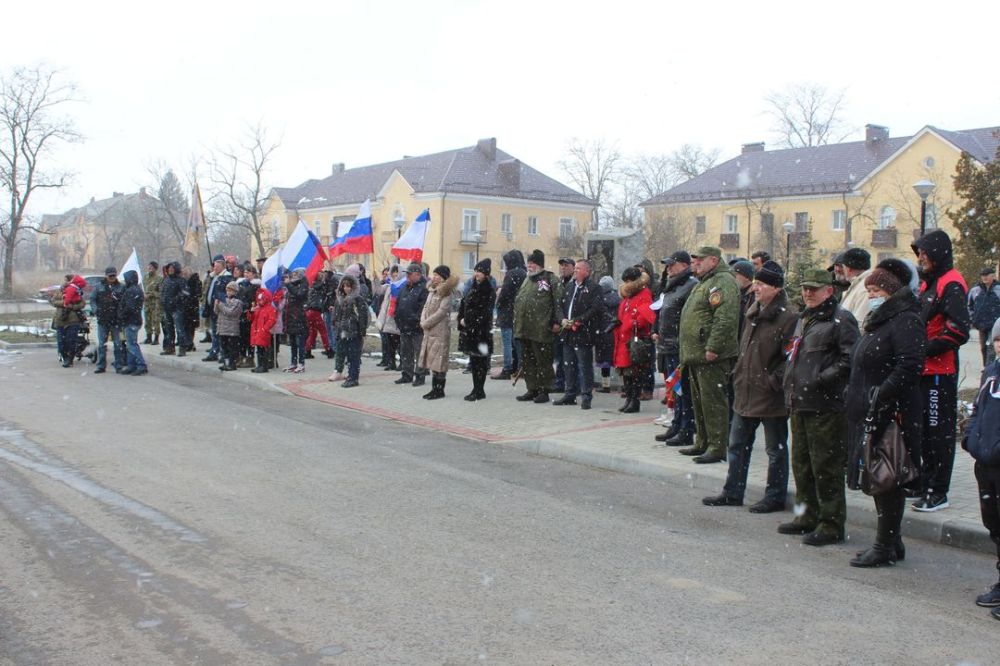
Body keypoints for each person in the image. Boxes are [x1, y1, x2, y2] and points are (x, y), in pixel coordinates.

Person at [845, 259, 926, 567]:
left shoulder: (906, 320)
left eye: (876, 289)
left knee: (887, 477)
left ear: (892, 291)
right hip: (872, 408)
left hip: (892, 412)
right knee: (881, 476)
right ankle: (893, 541)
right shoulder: (880, 319)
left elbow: (909, 365)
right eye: (869, 289)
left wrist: (882, 393)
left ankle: (884, 546)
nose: (872, 294)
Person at [703, 261, 797, 511]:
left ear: (776, 288)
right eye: (755, 283)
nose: (755, 288)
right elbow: (745, 348)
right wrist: (737, 374)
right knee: (737, 445)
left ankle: (775, 496)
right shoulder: (753, 310)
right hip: (745, 389)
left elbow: (790, 359)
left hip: (770, 395)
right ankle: (732, 491)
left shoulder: (788, 316)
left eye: (761, 284)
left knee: (775, 449)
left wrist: (772, 381)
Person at [780, 268, 859, 546]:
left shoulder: (841, 320)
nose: (808, 293)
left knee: (826, 466)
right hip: (800, 403)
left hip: (826, 405)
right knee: (802, 465)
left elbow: (850, 360)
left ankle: (831, 523)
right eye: (805, 288)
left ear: (829, 290)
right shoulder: (805, 318)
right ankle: (805, 515)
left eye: (814, 289)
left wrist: (820, 379)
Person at [911, 229, 970, 512]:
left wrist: (924, 348)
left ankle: (938, 491)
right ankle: (925, 482)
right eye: (919, 253)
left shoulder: (952, 283)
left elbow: (958, 332)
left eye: (924, 253)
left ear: (937, 253)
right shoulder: (929, 283)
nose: (921, 258)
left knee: (939, 432)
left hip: (940, 371)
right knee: (923, 432)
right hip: (922, 370)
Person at [678, 246, 740, 464]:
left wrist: (713, 347)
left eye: (700, 261)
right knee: (700, 401)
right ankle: (703, 441)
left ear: (713, 260)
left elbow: (725, 318)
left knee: (713, 402)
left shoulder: (722, 281)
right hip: (697, 354)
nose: (696, 264)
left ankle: (717, 446)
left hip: (710, 355)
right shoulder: (706, 281)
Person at [961, 326, 1000, 619]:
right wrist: (971, 437)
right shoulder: (991, 372)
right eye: (998, 340)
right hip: (984, 462)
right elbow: (977, 409)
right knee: (994, 523)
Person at [653, 251, 699, 445]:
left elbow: (689, 318)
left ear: (683, 265)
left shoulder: (690, 286)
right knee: (675, 390)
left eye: (672, 265)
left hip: (680, 347)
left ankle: (686, 429)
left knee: (683, 391)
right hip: (668, 345)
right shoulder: (672, 286)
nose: (669, 269)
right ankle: (677, 424)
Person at [513, 250, 563, 404]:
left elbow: (559, 302)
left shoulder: (550, 279)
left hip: (542, 329)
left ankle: (544, 390)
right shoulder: (527, 280)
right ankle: (532, 388)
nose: (529, 265)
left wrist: (556, 321)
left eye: (533, 263)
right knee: (528, 361)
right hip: (525, 329)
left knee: (543, 361)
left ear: (540, 264)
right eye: (528, 263)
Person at [554, 259, 603, 410]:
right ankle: (570, 394)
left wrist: (578, 320)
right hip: (568, 333)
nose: (575, 271)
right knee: (568, 365)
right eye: (574, 268)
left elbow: (595, 309)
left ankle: (586, 395)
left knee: (584, 366)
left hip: (583, 333)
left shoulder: (594, 288)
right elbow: (560, 306)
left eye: (578, 268)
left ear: (587, 272)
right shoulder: (569, 286)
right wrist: (562, 319)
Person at [613, 266, 655, 413]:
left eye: (629, 280)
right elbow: (623, 313)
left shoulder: (644, 294)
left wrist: (629, 323)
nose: (626, 283)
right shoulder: (628, 296)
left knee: (635, 372)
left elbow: (645, 316)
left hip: (634, 339)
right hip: (624, 338)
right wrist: (618, 322)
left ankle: (634, 401)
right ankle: (629, 398)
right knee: (626, 373)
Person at [418, 265, 459, 400]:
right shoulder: (432, 291)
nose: (434, 277)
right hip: (430, 331)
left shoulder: (446, 292)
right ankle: (434, 389)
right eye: (433, 274)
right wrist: (423, 319)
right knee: (432, 360)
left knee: (439, 361)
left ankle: (439, 390)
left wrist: (426, 323)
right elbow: (425, 307)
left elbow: (441, 312)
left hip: (440, 331)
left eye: (437, 275)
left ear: (443, 278)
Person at [458, 259, 497, 401]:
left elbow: (484, 312)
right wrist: (461, 319)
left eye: (479, 271)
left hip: (481, 332)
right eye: (475, 271)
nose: (476, 274)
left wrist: (468, 320)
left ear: (486, 274)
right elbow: (465, 304)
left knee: (480, 363)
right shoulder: (473, 287)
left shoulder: (488, 290)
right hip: (471, 331)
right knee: (474, 362)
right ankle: (476, 389)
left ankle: (479, 390)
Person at [394, 263, 429, 386]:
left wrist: (416, 321)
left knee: (419, 353)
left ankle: (420, 376)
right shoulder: (405, 287)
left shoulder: (424, 289)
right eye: (407, 274)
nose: (407, 276)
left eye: (410, 274)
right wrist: (398, 319)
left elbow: (423, 309)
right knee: (405, 352)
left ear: (418, 275)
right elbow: (398, 304)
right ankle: (407, 375)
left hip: (417, 328)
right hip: (404, 327)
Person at [331, 274, 368, 387]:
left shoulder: (357, 299)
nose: (346, 288)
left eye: (349, 286)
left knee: (353, 356)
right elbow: (336, 315)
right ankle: (347, 375)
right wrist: (336, 325)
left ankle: (353, 377)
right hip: (342, 330)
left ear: (353, 287)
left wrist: (362, 331)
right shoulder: (340, 300)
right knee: (343, 353)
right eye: (344, 286)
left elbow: (363, 316)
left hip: (354, 331)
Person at [494, 250, 526, 380]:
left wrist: (499, 302)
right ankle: (520, 367)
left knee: (507, 342)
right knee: (517, 342)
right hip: (518, 312)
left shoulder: (511, 274)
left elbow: (505, 293)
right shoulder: (524, 273)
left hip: (507, 312)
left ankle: (507, 368)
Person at [90, 266, 126, 374]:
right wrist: (96, 311)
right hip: (103, 320)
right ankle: (101, 365)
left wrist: (121, 313)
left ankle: (118, 365)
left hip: (116, 320)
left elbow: (124, 301)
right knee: (102, 344)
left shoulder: (121, 287)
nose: (112, 277)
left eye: (113, 275)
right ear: (106, 275)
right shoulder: (99, 286)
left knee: (118, 344)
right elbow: (92, 300)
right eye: (110, 275)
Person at [202, 255, 232, 362]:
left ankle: (221, 353)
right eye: (214, 266)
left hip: (220, 309)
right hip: (212, 309)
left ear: (223, 267)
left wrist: (219, 301)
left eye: (217, 267)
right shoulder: (214, 277)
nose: (215, 268)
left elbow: (226, 293)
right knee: (214, 331)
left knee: (220, 333)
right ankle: (214, 351)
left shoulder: (226, 278)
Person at [52, 274, 87, 367]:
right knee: (61, 342)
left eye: (67, 280)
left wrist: (73, 306)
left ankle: (69, 359)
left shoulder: (76, 290)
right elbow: (53, 301)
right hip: (60, 319)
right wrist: (63, 303)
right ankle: (64, 356)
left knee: (71, 341)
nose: (65, 282)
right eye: (64, 280)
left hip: (73, 320)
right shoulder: (59, 291)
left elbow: (82, 303)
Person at [118, 270, 148, 376]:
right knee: (130, 344)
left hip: (131, 321)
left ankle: (141, 365)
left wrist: (121, 315)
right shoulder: (136, 289)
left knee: (132, 345)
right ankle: (131, 365)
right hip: (134, 320)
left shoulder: (131, 290)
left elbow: (129, 307)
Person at [969, 266, 1000, 366]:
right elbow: (969, 305)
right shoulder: (975, 290)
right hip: (981, 323)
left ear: (993, 276)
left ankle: (989, 367)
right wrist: (972, 318)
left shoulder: (998, 289)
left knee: (991, 346)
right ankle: (985, 365)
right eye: (983, 275)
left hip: (995, 324)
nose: (984, 277)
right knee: (983, 347)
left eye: (987, 275)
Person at [553, 257, 576, 392]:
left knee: (572, 359)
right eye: (562, 265)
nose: (563, 268)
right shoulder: (558, 282)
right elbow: (556, 305)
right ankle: (559, 383)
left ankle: (573, 385)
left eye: (566, 265)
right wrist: (555, 322)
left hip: (572, 325)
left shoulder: (575, 283)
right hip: (560, 325)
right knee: (560, 357)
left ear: (573, 268)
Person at [595, 275, 620, 394]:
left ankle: (606, 385)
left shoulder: (599, 299)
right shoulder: (618, 298)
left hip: (602, 332)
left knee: (605, 361)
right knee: (617, 359)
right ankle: (624, 384)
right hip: (614, 331)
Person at [282, 268, 309, 373]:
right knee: (292, 341)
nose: (294, 276)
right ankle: (293, 363)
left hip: (299, 317)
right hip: (291, 317)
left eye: (296, 274)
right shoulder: (293, 284)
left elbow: (299, 294)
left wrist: (289, 285)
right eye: (294, 273)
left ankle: (301, 363)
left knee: (300, 342)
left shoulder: (303, 284)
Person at [838, 247, 874, 325]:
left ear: (848, 269)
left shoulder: (864, 288)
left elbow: (860, 323)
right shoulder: (858, 285)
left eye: (843, 267)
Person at [214, 281, 244, 372]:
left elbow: (230, 312)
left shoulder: (237, 302)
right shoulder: (223, 300)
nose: (228, 292)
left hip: (231, 329)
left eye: (230, 290)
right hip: (222, 328)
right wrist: (216, 304)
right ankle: (226, 363)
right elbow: (216, 311)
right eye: (227, 290)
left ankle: (232, 364)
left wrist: (220, 305)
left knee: (232, 348)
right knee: (224, 347)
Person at [304, 268, 334, 359]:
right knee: (323, 331)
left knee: (312, 332)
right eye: (321, 275)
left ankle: (307, 351)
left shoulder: (311, 286)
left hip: (308, 312)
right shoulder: (320, 286)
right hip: (315, 312)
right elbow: (327, 286)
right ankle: (328, 350)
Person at [376, 266, 401, 372]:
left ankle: (403, 363)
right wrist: (376, 280)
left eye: (396, 272)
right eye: (393, 273)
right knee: (390, 343)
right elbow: (378, 290)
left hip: (396, 320)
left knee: (399, 344)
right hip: (388, 319)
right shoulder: (390, 286)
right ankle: (392, 363)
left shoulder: (402, 286)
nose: (395, 275)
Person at [159, 262, 187, 356]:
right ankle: (170, 348)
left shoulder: (181, 280)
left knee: (179, 329)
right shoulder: (166, 280)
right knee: (169, 329)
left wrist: (175, 300)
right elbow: (162, 292)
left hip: (177, 308)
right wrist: (162, 300)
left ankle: (182, 348)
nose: (170, 270)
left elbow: (185, 293)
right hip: (167, 309)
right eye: (169, 269)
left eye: (172, 269)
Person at [250, 286, 277, 373]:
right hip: (257, 332)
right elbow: (252, 318)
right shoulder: (258, 308)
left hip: (263, 332)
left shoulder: (270, 309)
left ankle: (264, 366)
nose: (260, 301)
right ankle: (259, 365)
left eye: (261, 300)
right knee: (259, 350)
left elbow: (272, 320)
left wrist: (264, 328)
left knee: (263, 350)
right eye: (259, 300)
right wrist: (251, 312)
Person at [142, 261, 162, 345]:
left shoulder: (159, 278)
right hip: (147, 303)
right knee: (147, 321)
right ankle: (148, 337)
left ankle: (156, 339)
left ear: (155, 268)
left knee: (156, 321)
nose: (149, 268)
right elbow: (144, 289)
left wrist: (152, 294)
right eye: (149, 266)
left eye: (151, 267)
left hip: (155, 303)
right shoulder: (145, 277)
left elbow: (161, 293)